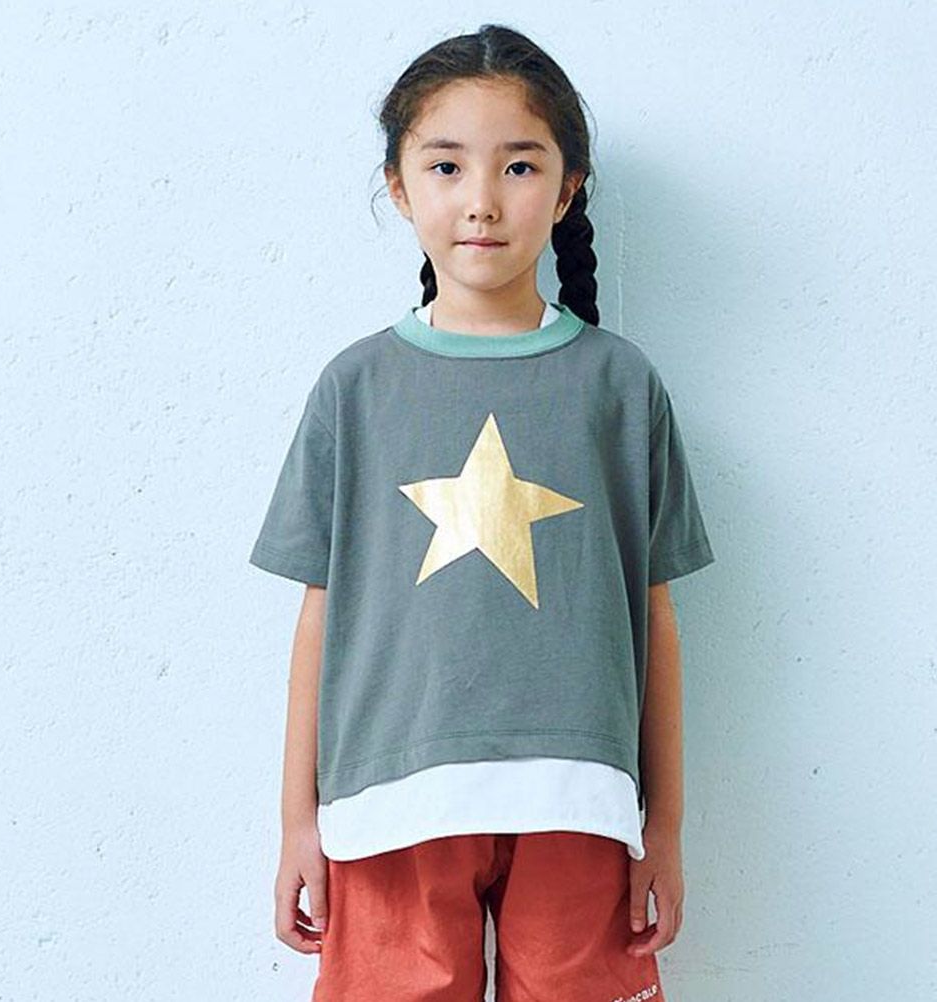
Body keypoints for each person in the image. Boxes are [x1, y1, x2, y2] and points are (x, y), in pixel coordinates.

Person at [249, 23, 716, 1002]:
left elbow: (655, 618)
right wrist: (299, 823)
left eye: (520, 166)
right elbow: (320, 617)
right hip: (390, 808)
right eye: (447, 165)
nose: (482, 201)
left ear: (568, 188)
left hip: (580, 804)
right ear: (398, 186)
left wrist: (663, 827)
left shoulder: (620, 387)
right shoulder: (354, 389)